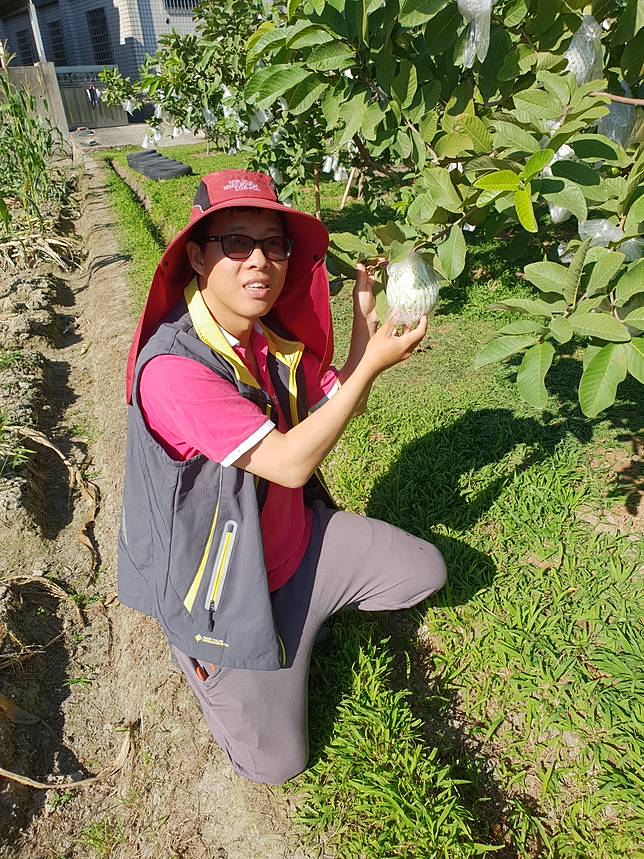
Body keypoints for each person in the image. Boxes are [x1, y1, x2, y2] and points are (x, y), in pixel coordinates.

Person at [118, 169, 446, 785]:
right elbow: (293, 462)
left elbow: (329, 403)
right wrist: (372, 365)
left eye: (274, 245)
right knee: (276, 765)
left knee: (424, 573)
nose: (259, 262)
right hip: (225, 583)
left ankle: (304, 615)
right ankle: (207, 659)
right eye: (236, 244)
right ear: (195, 256)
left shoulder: (265, 341)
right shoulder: (174, 370)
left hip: (295, 546)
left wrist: (361, 335)